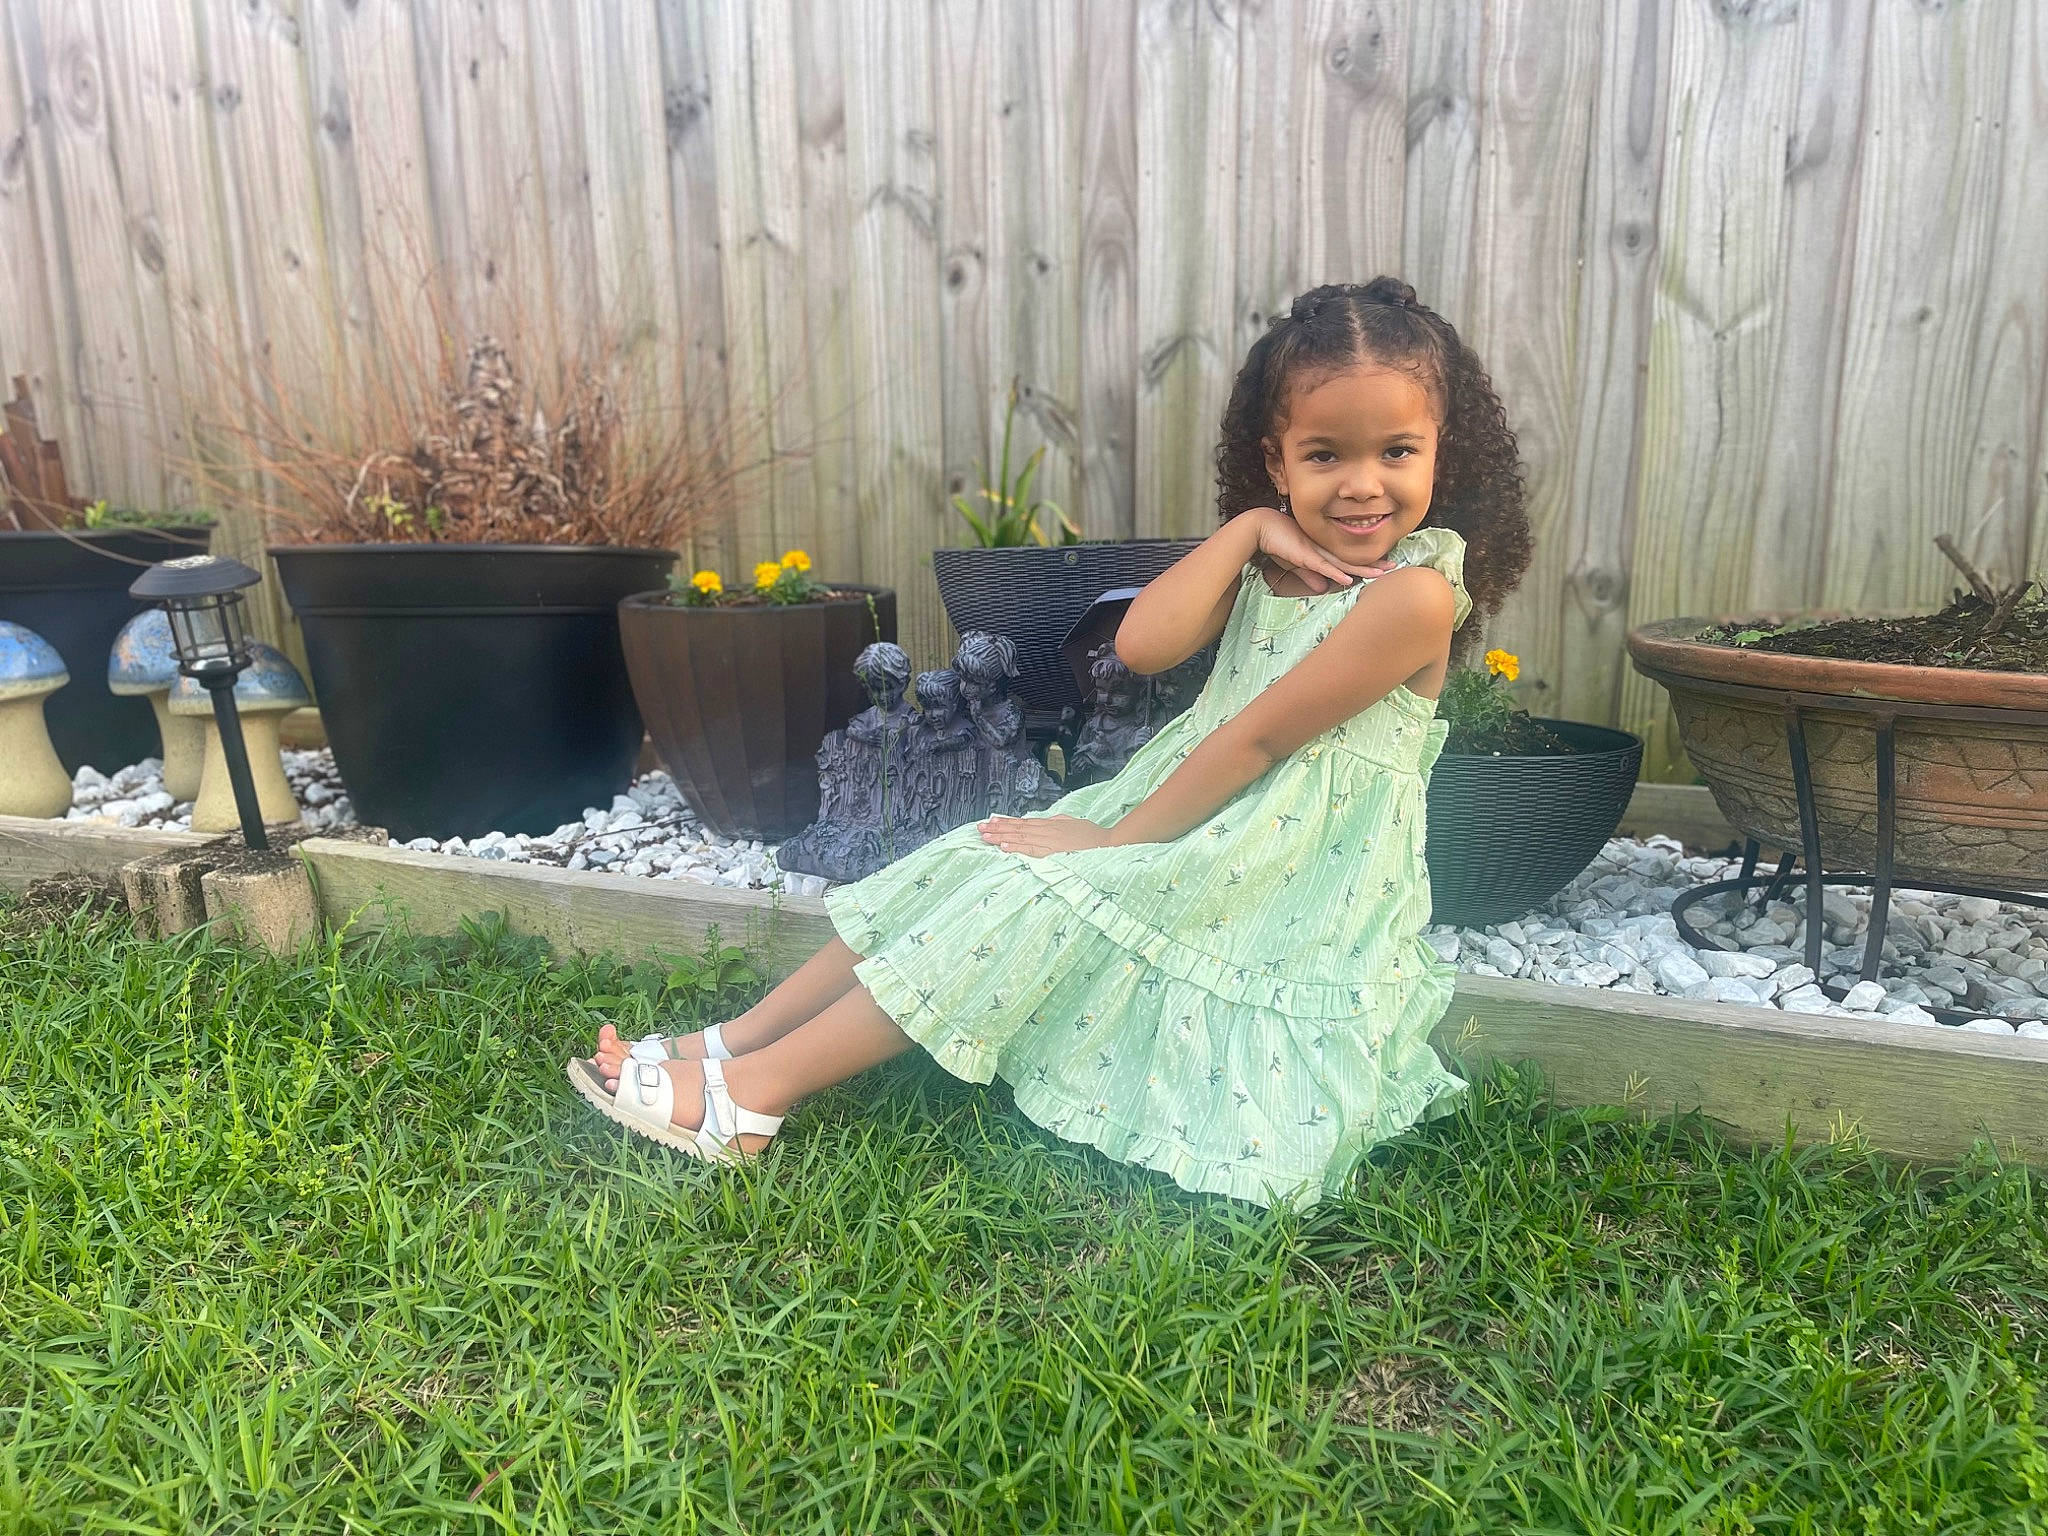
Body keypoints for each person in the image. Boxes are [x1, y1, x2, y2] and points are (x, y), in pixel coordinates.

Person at [566, 276, 1533, 1208]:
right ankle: (733, 1044)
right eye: (1325, 456)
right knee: (972, 858)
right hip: (1203, 811)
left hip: (1286, 870)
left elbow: (1256, 742)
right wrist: (1244, 535)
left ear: (1442, 453)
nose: (1363, 486)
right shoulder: (1279, 560)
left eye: (1397, 452)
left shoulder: (1411, 597)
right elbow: (1144, 646)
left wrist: (1116, 844)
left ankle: (752, 1102)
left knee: (1037, 890)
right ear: (1277, 462)